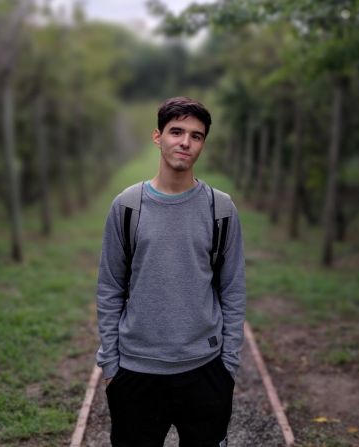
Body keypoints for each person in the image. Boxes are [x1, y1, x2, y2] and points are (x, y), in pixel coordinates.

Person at [96, 96, 246, 447]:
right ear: (157, 136)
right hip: (137, 372)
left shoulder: (221, 209)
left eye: (196, 136)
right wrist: (112, 365)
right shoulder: (127, 207)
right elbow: (110, 287)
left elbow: (233, 290)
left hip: (205, 369)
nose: (185, 142)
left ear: (203, 144)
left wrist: (228, 366)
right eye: (176, 131)